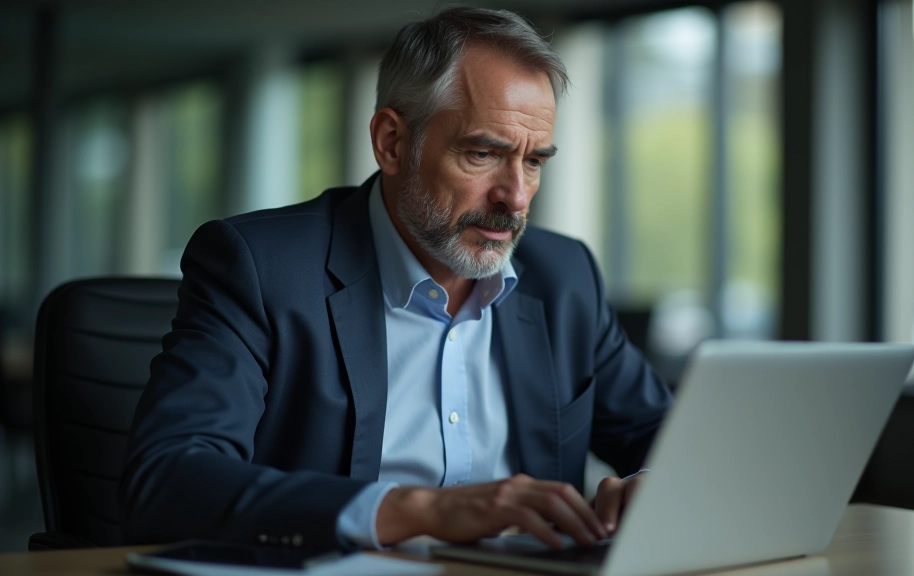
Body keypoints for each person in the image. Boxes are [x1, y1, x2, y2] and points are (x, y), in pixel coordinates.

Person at [119, 7, 672, 552]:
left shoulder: (564, 278)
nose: (517, 197)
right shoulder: (261, 268)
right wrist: (420, 509)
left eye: (534, 162)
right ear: (392, 142)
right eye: (483, 153)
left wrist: (659, 484)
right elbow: (168, 480)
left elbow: (672, 436)